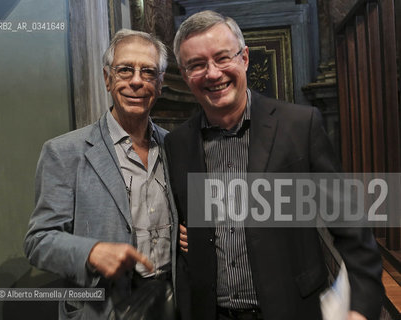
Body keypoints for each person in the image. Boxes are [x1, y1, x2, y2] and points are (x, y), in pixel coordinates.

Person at [165, 10, 383, 320]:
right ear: (186, 76)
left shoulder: (299, 125)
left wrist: (361, 306)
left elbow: (351, 225)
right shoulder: (178, 143)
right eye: (197, 65)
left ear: (245, 58)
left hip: (292, 308)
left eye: (222, 58)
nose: (212, 73)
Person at [24, 29, 178, 319]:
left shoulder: (175, 147)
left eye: (148, 72)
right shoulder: (65, 152)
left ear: (159, 85)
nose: (136, 80)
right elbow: (38, 241)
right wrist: (91, 251)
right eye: (124, 70)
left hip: (170, 305)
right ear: (108, 79)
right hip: (102, 309)